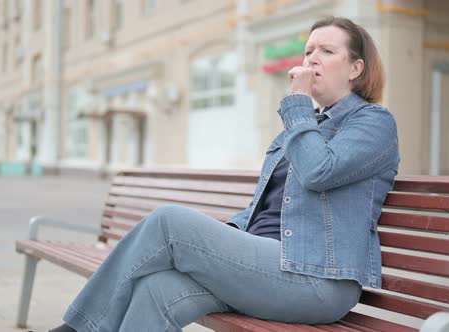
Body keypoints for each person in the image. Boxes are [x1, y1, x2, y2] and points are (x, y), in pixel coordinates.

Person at [49, 16, 400, 332]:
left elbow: (317, 171)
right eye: (308, 51)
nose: (312, 59)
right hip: (268, 266)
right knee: (157, 289)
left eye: (327, 51)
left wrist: (297, 105)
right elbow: (261, 210)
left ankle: (77, 329)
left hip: (318, 278)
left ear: (355, 68)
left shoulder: (372, 121)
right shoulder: (300, 128)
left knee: (168, 222)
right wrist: (221, 242)